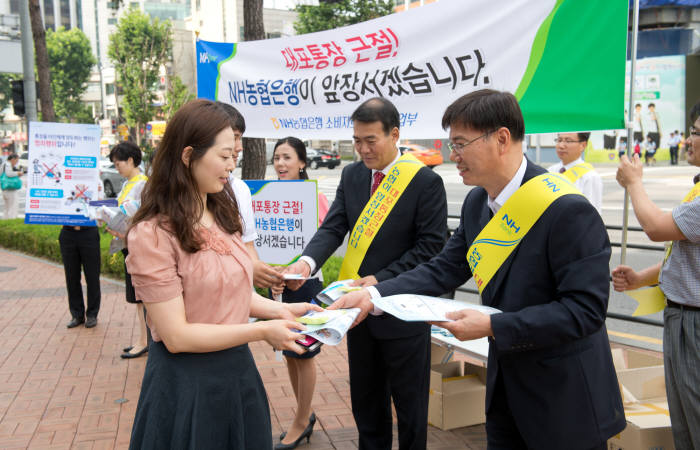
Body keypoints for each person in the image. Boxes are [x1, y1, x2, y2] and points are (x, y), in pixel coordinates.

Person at [331, 89, 625, 450]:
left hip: (564, 399)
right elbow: (444, 267)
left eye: (459, 144)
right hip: (504, 392)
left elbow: (585, 311)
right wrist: (373, 296)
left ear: (501, 139)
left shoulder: (566, 210)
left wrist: (491, 326)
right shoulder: (477, 203)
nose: (452, 156)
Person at [124, 99, 321, 449]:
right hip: (187, 386)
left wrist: (284, 311)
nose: (232, 166)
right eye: (225, 156)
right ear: (188, 155)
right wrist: (262, 330)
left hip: (238, 374)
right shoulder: (153, 235)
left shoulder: (222, 211)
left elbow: (231, 292)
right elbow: (177, 336)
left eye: (235, 156)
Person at [285, 97, 448, 450]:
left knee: (410, 408)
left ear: (394, 134)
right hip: (356, 314)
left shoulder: (424, 182)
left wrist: (380, 280)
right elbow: (334, 227)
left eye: (370, 140)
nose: (362, 149)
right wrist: (306, 263)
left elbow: (430, 248)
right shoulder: (353, 174)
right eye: (357, 140)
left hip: (403, 310)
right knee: (366, 402)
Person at [612, 101, 700, 450]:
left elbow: (654, 227)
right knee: (683, 417)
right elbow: (685, 257)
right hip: (683, 317)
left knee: (694, 417)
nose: (689, 140)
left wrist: (634, 182)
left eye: (695, 133)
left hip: (693, 324)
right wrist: (641, 278)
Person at [270, 137, 330, 450]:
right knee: (290, 354)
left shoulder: (315, 197)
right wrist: (273, 276)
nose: (280, 164)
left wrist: (296, 273)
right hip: (277, 285)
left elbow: (323, 242)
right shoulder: (266, 197)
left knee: (304, 354)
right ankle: (303, 413)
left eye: (287, 158)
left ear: (302, 162)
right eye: (277, 158)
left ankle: (302, 419)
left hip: (306, 285)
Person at [215, 101, 285, 291]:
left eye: (240, 138)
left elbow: (248, 244)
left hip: (242, 299)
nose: (238, 147)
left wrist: (260, 271)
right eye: (233, 138)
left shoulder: (240, 189)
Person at [106, 142, 150, 359]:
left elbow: (146, 218)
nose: (116, 167)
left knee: (141, 297)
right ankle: (143, 338)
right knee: (137, 297)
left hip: (137, 245)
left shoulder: (142, 185)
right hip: (126, 243)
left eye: (118, 163)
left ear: (131, 160)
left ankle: (145, 340)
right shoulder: (128, 184)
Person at [548, 132, 603, 214]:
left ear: (583, 145)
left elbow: (592, 214)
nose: (561, 145)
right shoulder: (550, 171)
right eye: (559, 140)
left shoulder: (590, 176)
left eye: (568, 141)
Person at [1, 153, 23, 219]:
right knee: (13, 206)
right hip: (10, 189)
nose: (16, 162)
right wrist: (18, 173)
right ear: (13, 159)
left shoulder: (4, 164)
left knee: (7, 207)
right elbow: (9, 174)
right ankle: (12, 219)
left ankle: (6, 219)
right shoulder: (8, 164)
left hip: (5, 188)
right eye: (16, 160)